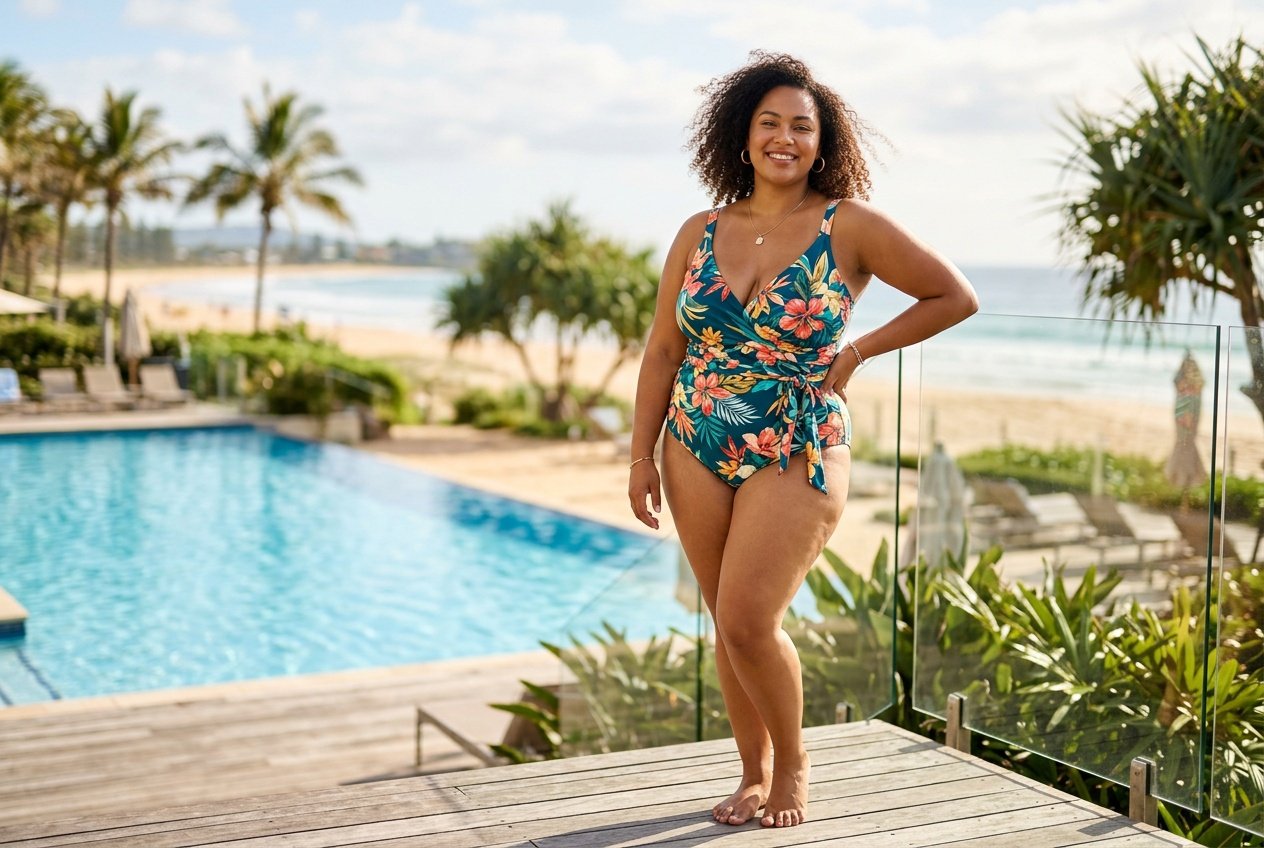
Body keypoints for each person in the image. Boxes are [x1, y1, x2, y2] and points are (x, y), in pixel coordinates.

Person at [626, 52, 978, 829]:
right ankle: (750, 772)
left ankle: (793, 765)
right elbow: (661, 349)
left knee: (752, 616)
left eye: (802, 127)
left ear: (823, 143)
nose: (785, 138)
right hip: (695, 438)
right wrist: (639, 454)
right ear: (742, 136)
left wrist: (854, 352)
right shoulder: (699, 230)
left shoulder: (847, 224)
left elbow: (954, 295)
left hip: (801, 443)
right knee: (725, 618)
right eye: (770, 124)